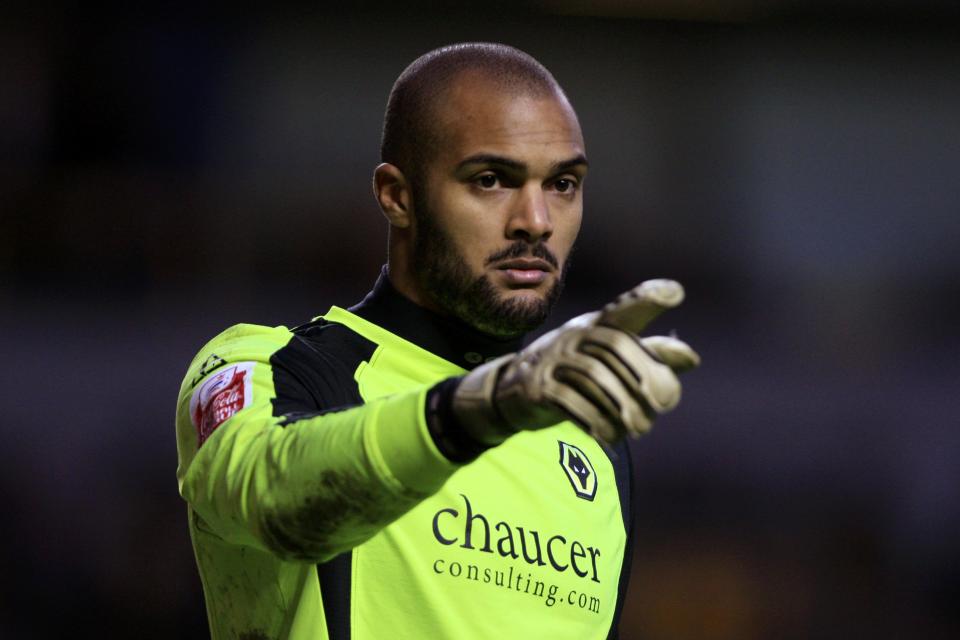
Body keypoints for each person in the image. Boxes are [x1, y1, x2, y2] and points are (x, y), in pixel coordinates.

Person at [175, 42, 699, 640]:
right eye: (491, 179)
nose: (536, 220)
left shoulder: (596, 447)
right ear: (397, 196)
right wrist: (476, 410)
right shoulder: (276, 367)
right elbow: (272, 496)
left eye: (563, 184)